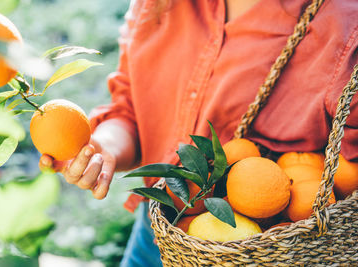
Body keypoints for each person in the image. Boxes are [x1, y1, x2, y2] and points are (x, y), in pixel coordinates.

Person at [39, 0, 358, 266]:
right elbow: (131, 108)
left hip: (261, 249)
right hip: (159, 231)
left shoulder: (341, 25)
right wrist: (104, 149)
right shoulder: (159, 5)